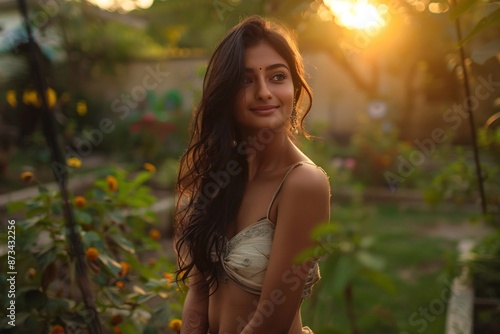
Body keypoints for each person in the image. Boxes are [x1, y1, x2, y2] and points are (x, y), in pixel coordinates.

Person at [174, 15, 331, 334]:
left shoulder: (303, 183)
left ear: (295, 87)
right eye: (246, 80)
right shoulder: (217, 175)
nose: (263, 92)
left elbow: (270, 322)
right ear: (226, 93)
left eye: (277, 77)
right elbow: (199, 291)